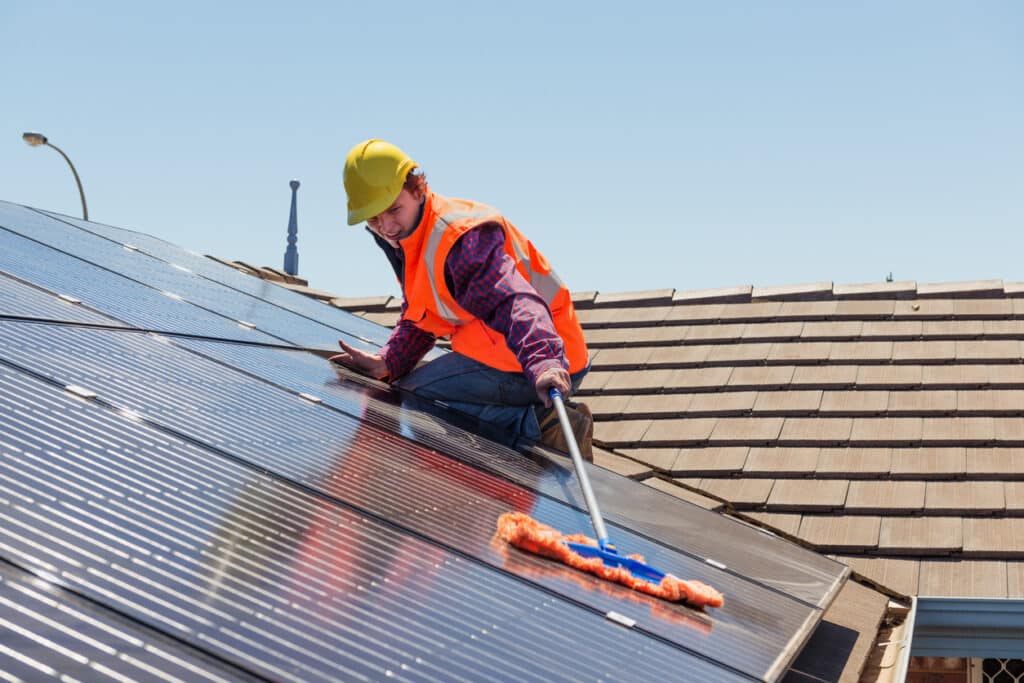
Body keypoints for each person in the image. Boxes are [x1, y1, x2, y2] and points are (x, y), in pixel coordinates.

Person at [329, 138, 594, 459]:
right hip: (503, 352)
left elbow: (514, 304)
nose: (386, 227)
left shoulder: (458, 241)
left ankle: (542, 425)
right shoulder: (415, 239)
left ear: (417, 188)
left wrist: (544, 362)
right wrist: (388, 362)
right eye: (373, 219)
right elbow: (423, 319)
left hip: (539, 359)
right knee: (403, 389)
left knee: (418, 398)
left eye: (393, 209)